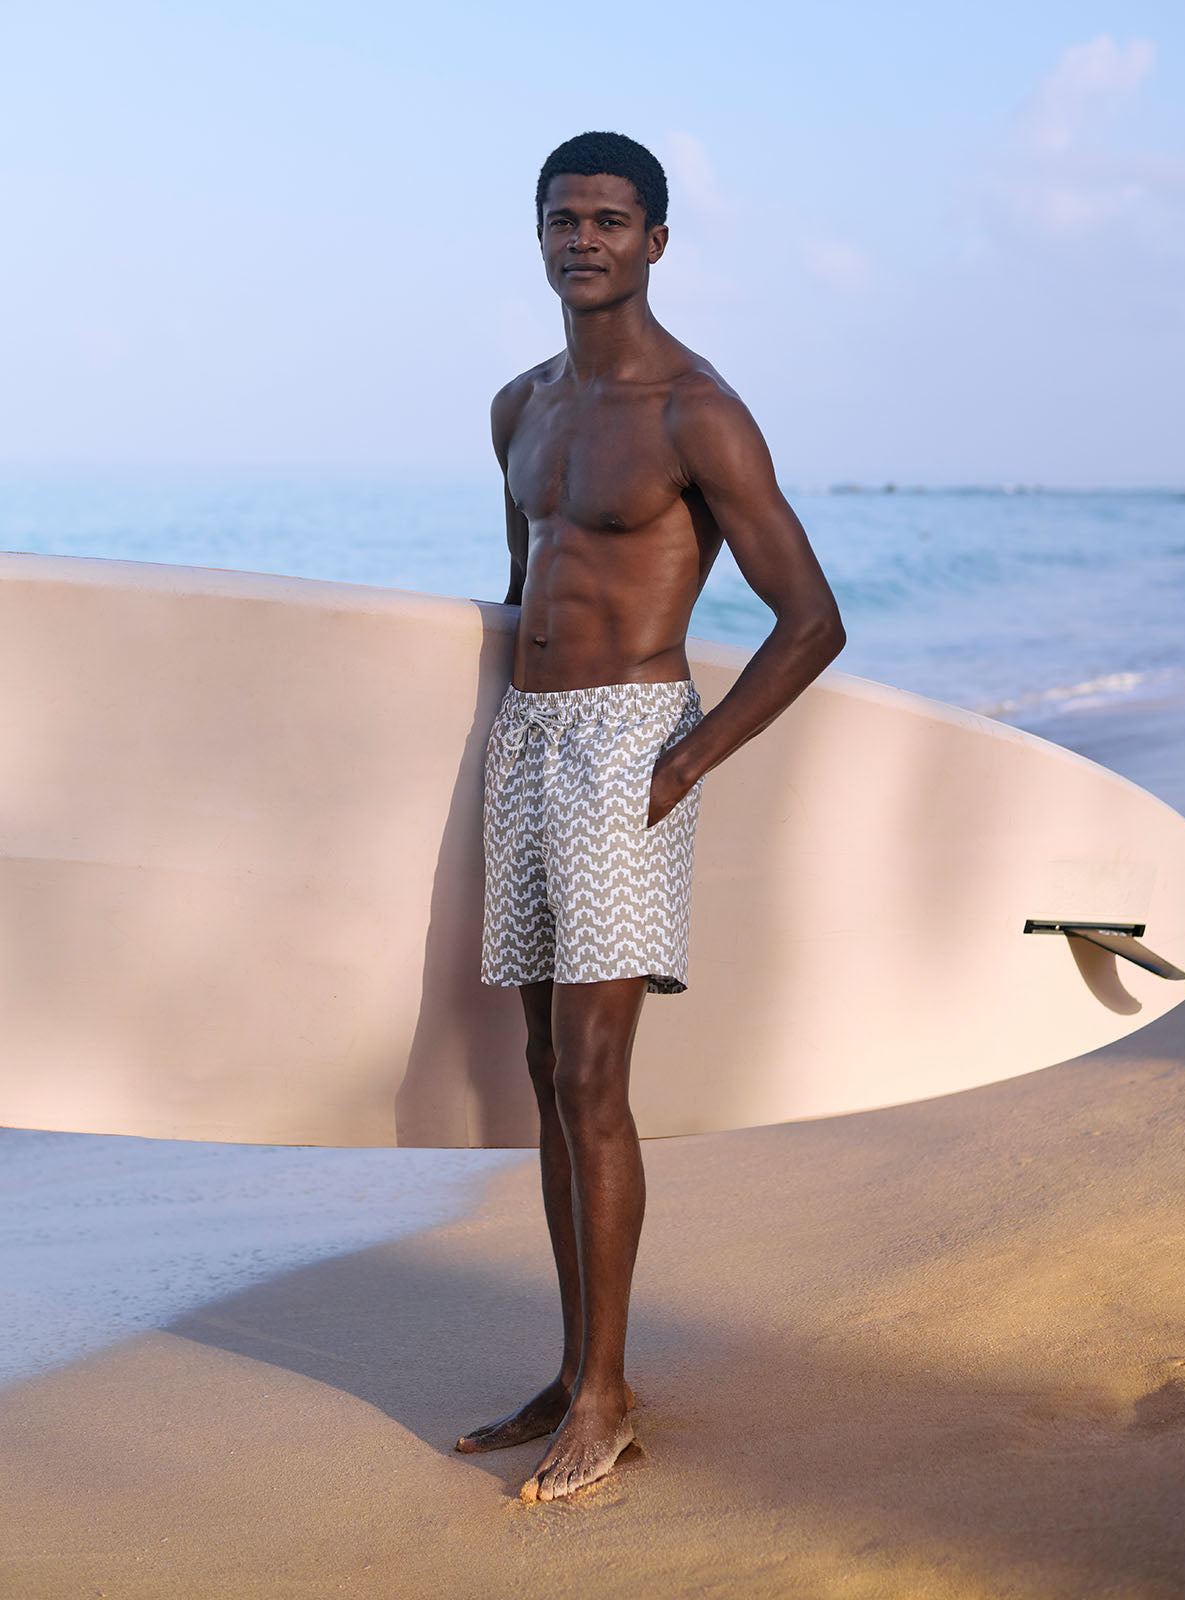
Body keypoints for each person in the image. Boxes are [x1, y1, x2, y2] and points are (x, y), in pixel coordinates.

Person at [455, 131, 845, 1502]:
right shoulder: (520, 407)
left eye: (613, 219)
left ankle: (609, 1400)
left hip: (634, 744)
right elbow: (523, 590)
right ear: (541, 233)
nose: (585, 238)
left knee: (593, 1077)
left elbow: (812, 622)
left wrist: (685, 765)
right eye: (564, 217)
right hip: (529, 743)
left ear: (657, 241)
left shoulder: (699, 411)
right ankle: (573, 1372)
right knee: (541, 1062)